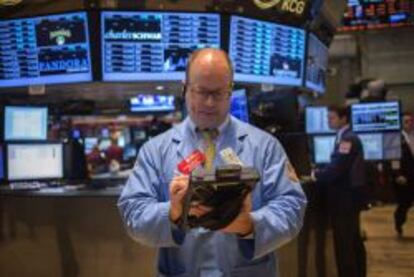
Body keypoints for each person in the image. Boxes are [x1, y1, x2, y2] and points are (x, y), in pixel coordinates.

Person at [118, 48, 307, 276]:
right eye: (200, 91)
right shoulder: (155, 151)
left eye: (218, 93)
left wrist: (250, 225)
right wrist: (172, 213)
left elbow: (292, 207)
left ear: (230, 92)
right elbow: (133, 214)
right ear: (185, 88)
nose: (209, 102)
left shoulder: (265, 146)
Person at [313, 105, 367, 277]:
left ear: (344, 119)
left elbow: (336, 170)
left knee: (345, 245)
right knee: (353, 241)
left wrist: (316, 175)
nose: (328, 121)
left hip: (345, 200)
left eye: (332, 118)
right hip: (348, 199)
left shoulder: (348, 139)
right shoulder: (344, 137)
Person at [393, 112, 414, 236]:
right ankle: (399, 223)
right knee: (404, 204)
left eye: (411, 121)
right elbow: (393, 159)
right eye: (406, 121)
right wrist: (397, 175)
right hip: (404, 177)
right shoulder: (397, 138)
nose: (409, 124)